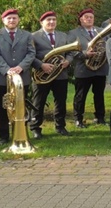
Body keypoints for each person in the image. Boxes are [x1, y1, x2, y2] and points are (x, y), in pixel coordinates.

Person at [0, 8, 36, 145]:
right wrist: (7, 70)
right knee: (3, 107)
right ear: (3, 20)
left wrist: (21, 67)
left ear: (18, 20)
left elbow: (31, 53)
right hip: (2, 78)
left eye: (14, 18)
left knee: (21, 107)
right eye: (9, 18)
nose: (12, 20)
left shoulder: (27, 35)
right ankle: (3, 136)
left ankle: (21, 133)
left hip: (22, 77)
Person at [30, 11, 72, 139]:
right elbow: (29, 55)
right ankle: (35, 128)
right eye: (48, 20)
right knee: (38, 102)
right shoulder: (33, 36)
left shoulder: (63, 35)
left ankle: (60, 126)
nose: (52, 22)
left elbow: (70, 52)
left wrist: (68, 61)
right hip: (42, 75)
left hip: (60, 74)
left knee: (60, 101)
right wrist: (41, 65)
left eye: (54, 19)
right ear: (41, 22)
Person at [68, 8, 108, 128]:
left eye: (91, 17)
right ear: (81, 20)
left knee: (99, 94)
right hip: (83, 69)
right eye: (86, 17)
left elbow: (107, 45)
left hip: (100, 68)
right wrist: (85, 54)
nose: (89, 19)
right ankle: (78, 119)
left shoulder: (101, 31)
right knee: (81, 95)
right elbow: (71, 50)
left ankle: (100, 117)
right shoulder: (73, 33)